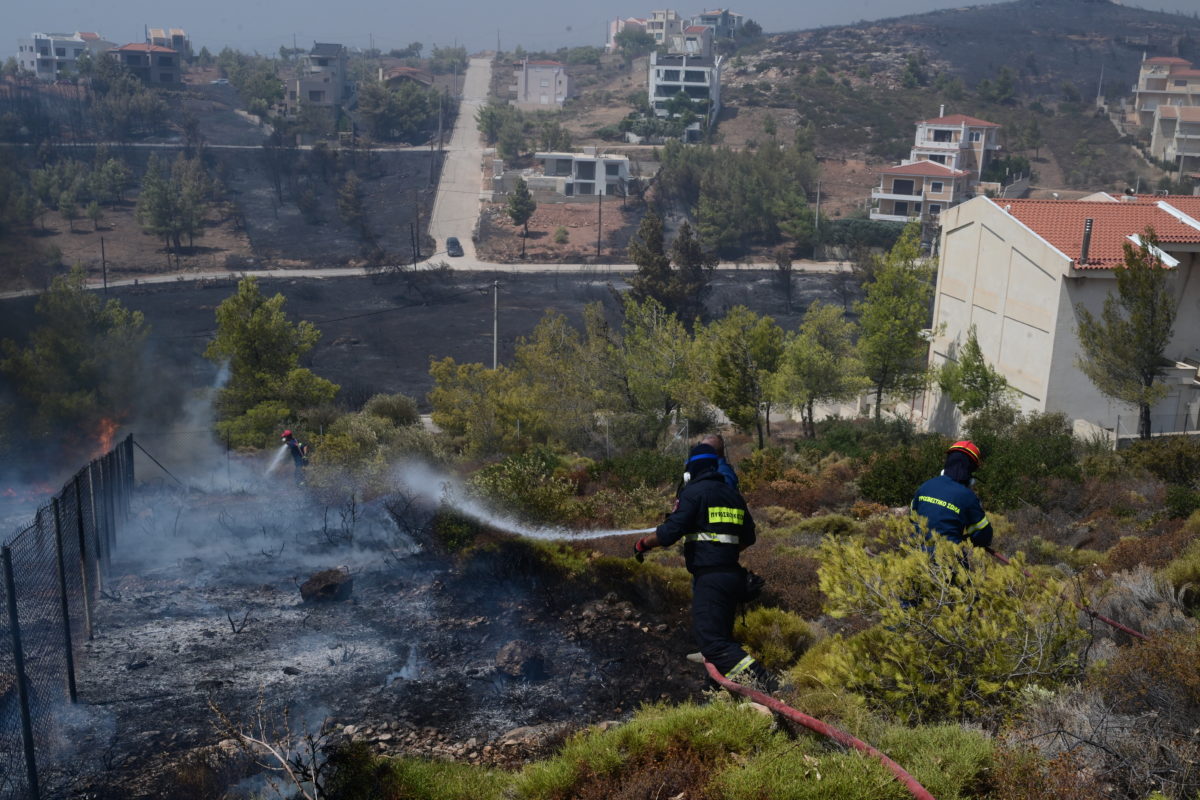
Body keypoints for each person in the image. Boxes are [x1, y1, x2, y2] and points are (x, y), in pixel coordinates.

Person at [632, 442, 772, 687]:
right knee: (722, 636)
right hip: (732, 576)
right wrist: (724, 551)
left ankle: (767, 683)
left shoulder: (693, 493)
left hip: (710, 580)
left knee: (713, 644)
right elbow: (749, 537)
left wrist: (642, 544)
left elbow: (669, 533)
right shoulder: (732, 494)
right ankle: (719, 690)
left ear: (690, 471)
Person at [910, 440, 992, 549]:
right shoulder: (968, 497)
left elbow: (912, 517)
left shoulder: (925, 486)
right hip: (947, 556)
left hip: (914, 552)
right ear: (970, 469)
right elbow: (984, 536)